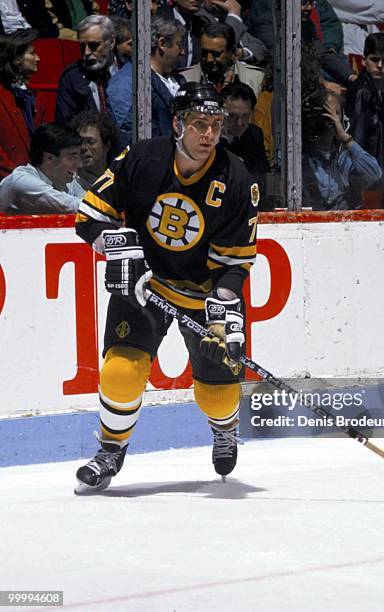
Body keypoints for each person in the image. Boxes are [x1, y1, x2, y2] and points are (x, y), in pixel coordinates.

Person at [74, 82, 259, 493]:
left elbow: (233, 264)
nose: (209, 134)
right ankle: (110, 451)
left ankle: (225, 426)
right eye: (198, 124)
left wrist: (224, 309)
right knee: (120, 372)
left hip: (204, 295)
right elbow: (88, 218)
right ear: (178, 124)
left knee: (218, 395)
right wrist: (120, 250)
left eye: (215, 124)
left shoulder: (236, 179)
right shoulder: (141, 158)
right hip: (144, 287)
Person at [107, 16, 186, 147]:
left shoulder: (178, 80)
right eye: (179, 45)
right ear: (162, 44)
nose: (183, 52)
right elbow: (125, 134)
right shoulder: (129, 80)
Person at [302, 89, 383, 210]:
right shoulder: (301, 159)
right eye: (325, 112)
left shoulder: (345, 158)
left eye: (335, 113)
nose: (330, 118)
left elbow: (374, 175)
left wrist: (346, 139)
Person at [0, 122, 84, 214]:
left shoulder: (66, 180)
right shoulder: (22, 181)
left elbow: (88, 201)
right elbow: (82, 208)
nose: (79, 164)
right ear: (49, 158)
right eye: (73, 156)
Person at [345, 33, 384, 171]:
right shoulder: (363, 92)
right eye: (374, 60)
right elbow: (358, 139)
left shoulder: (377, 90)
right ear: (364, 60)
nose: (380, 65)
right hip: (365, 172)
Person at [0, 28, 46, 179]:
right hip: (10, 180)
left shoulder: (37, 97)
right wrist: (18, 177)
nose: (38, 58)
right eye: (32, 53)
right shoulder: (2, 96)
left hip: (36, 179)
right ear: (17, 60)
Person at [55, 14, 117, 125]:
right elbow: (65, 124)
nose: (86, 53)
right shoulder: (71, 77)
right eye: (82, 46)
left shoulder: (129, 71)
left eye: (94, 46)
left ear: (112, 42)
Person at [180, 20, 264, 96]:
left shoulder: (256, 79)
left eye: (216, 54)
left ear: (232, 52)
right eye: (205, 52)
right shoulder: (183, 79)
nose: (209, 59)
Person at [221, 81, 268, 200]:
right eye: (232, 116)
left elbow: (260, 176)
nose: (239, 123)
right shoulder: (209, 138)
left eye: (245, 116)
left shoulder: (255, 134)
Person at [70, 109, 120, 190]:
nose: (83, 147)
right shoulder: (67, 183)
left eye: (90, 142)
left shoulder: (119, 182)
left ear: (107, 145)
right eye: (79, 141)